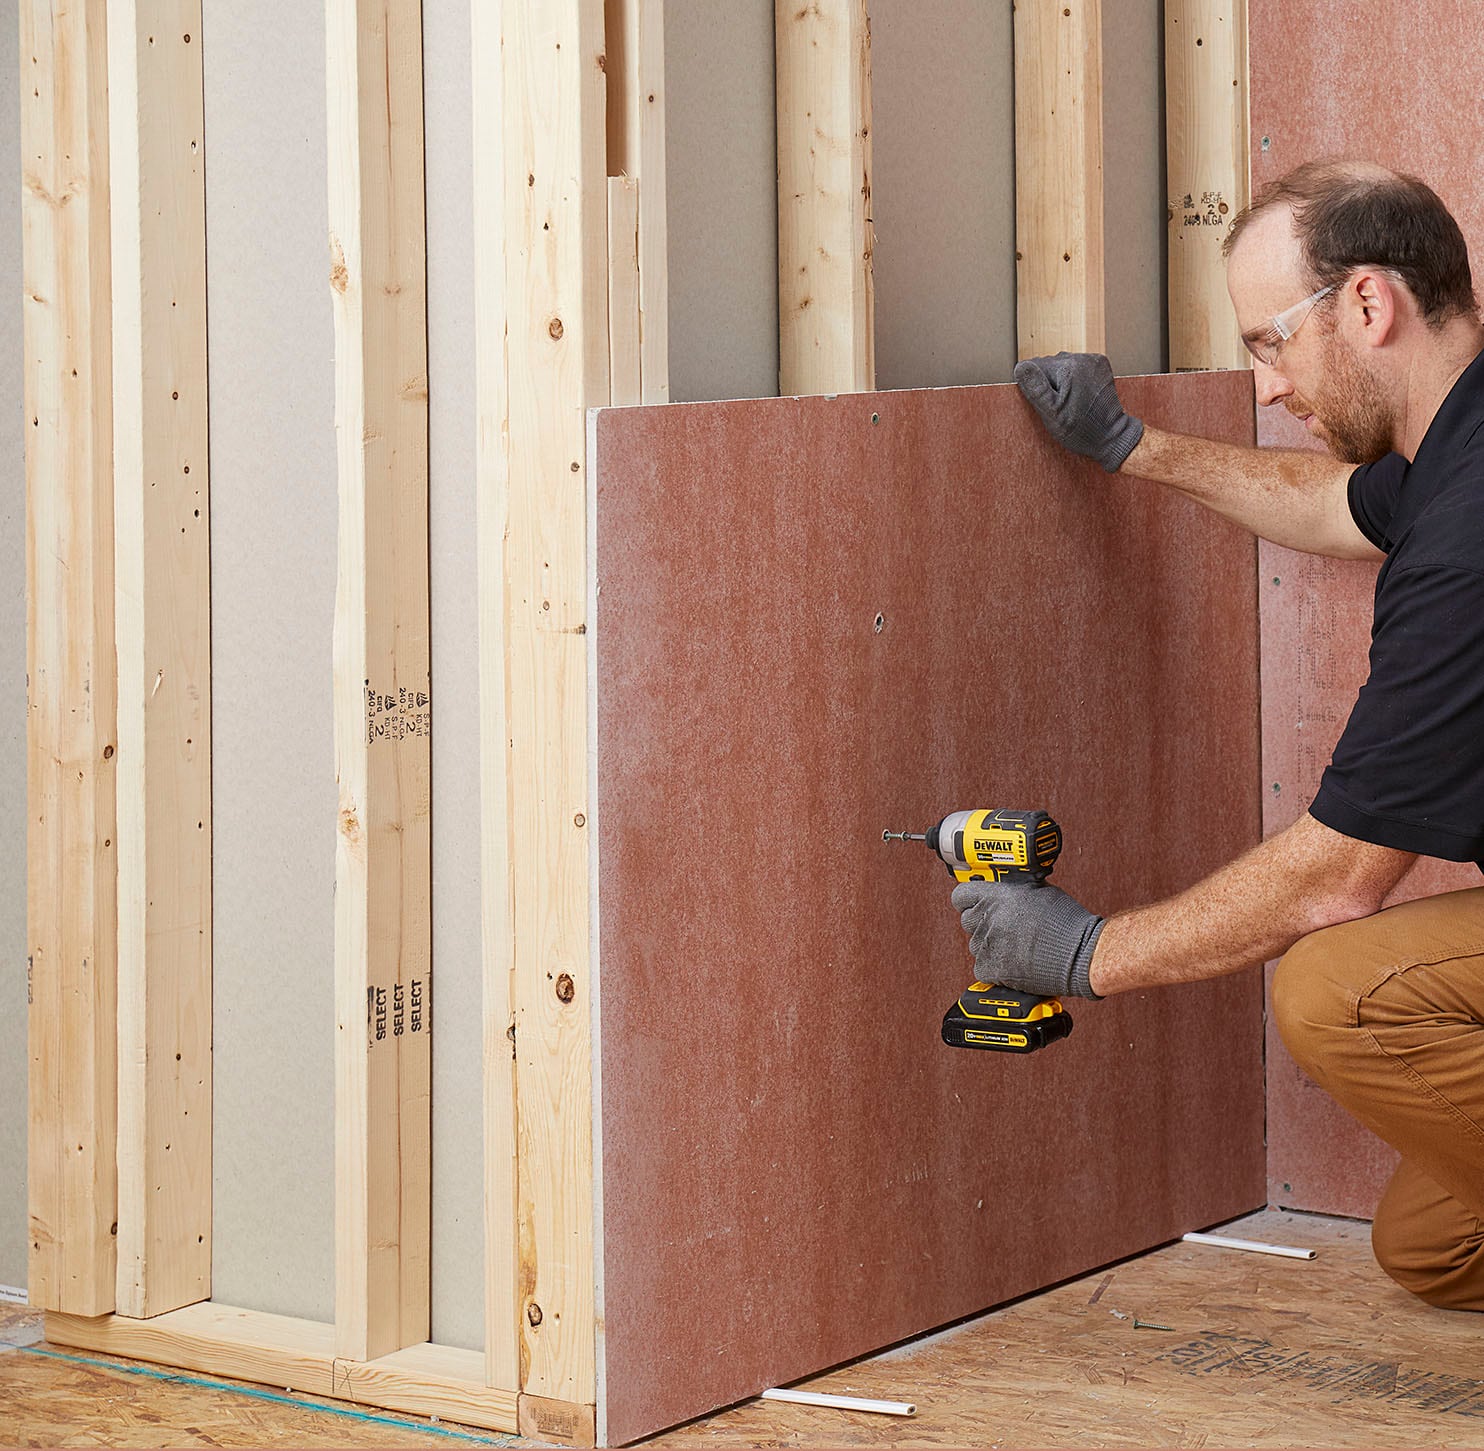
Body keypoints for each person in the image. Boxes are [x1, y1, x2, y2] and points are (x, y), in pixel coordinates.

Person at [955, 159, 1484, 1311]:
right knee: (1435, 1246)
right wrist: (1130, 446)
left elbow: (1338, 879)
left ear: (1363, 304)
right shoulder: (1451, 450)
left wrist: (1081, 952)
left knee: (1336, 982)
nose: (1265, 386)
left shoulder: (1465, 548)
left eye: (1267, 342)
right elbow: (1334, 509)